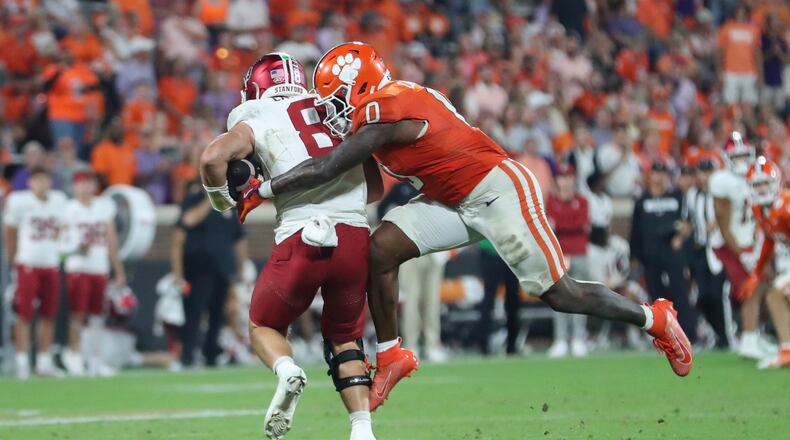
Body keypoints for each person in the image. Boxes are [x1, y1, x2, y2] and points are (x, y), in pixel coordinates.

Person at [237, 42, 694, 411]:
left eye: (337, 98)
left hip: (496, 190)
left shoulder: (388, 106)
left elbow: (330, 165)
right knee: (379, 250)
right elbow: (359, 176)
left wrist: (265, 189)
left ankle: (654, 317)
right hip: (450, 199)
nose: (333, 111)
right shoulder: (382, 108)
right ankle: (392, 353)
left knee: (558, 293)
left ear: (362, 87)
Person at [199, 53, 382, 440]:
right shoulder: (333, 102)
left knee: (263, 324)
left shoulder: (254, 112)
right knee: (346, 337)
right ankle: (362, 429)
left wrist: (221, 200)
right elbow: (376, 188)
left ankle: (287, 370)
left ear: (256, 85)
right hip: (352, 235)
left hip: (302, 234)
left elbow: (213, 157)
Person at [709, 132, 770, 359]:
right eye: (737, 157)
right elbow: (724, 225)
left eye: (745, 155)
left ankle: (754, 335)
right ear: (727, 158)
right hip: (730, 244)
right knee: (750, 289)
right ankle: (748, 340)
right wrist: (741, 252)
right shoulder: (722, 181)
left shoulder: (755, 175)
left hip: (749, 241)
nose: (742, 161)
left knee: (761, 286)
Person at [3, 168, 68, 379]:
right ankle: (22, 360)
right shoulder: (19, 201)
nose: (41, 184)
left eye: (45, 179)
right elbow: (10, 232)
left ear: (50, 182)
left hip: (51, 263)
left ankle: (43, 360)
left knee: (48, 314)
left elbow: (64, 229)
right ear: (30, 183)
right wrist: (12, 260)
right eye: (37, 180)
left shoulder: (59, 201)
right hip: (28, 263)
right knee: (24, 314)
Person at [60, 171, 126, 376]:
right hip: (78, 266)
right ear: (74, 187)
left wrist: (118, 270)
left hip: (99, 266)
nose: (85, 188)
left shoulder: (103, 206)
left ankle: (96, 359)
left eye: (89, 183)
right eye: (81, 184)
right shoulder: (67, 209)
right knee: (78, 314)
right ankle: (74, 354)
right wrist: (76, 247)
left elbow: (111, 240)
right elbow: (60, 243)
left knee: (98, 315)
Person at [630, 161, 697, 344]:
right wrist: (634, 256)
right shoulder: (642, 201)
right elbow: (635, 231)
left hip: (673, 253)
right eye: (655, 172)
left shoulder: (677, 197)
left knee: (680, 293)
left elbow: (688, 224)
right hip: (650, 256)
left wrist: (681, 238)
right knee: (656, 298)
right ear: (650, 175)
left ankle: (688, 336)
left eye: (662, 173)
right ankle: (664, 338)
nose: (659, 177)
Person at [740, 157, 790, 369]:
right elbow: (769, 241)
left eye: (764, 183)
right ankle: (787, 350)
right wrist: (756, 274)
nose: (761, 189)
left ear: (776, 182)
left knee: (777, 294)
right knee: (775, 295)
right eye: (757, 184)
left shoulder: (786, 205)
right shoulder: (760, 209)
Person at [545, 164, 590, 358]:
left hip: (579, 253)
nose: (565, 181)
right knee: (560, 297)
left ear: (574, 179)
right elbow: (549, 226)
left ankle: (578, 338)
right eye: (562, 177)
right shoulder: (551, 201)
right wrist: (567, 224)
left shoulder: (582, 201)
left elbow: (582, 224)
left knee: (580, 296)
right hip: (559, 254)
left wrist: (561, 223)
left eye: (568, 177)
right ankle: (561, 339)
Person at [685, 159, 729, 349]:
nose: (705, 176)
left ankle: (727, 336)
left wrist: (718, 223)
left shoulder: (721, 194)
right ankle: (719, 333)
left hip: (719, 248)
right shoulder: (692, 195)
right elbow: (689, 220)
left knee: (717, 294)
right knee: (702, 297)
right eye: (702, 172)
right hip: (701, 249)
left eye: (708, 172)